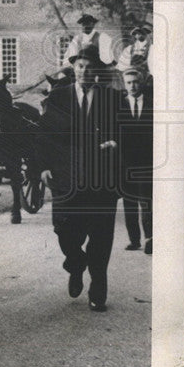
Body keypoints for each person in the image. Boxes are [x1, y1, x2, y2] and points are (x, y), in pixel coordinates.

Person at [37, 45, 121, 312]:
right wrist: (43, 167)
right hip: (66, 178)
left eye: (90, 67)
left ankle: (98, 288)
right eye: (80, 66)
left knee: (101, 235)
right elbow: (44, 136)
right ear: (74, 69)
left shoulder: (113, 99)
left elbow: (126, 134)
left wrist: (115, 143)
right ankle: (75, 264)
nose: (85, 71)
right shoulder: (58, 98)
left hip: (101, 180)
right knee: (65, 231)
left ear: (97, 72)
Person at [118, 66, 153, 254]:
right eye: (129, 82)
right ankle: (134, 240)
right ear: (125, 84)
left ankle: (150, 238)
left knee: (146, 201)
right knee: (129, 202)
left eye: (135, 82)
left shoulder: (152, 104)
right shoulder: (119, 105)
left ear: (141, 83)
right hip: (126, 163)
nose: (132, 86)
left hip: (147, 163)